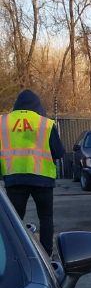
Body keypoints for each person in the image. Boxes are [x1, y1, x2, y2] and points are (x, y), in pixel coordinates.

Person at [0, 89, 65, 255]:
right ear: (38, 106)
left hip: (14, 179)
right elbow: (59, 152)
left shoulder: (3, 122)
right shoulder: (46, 123)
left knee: (14, 220)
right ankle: (46, 253)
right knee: (45, 218)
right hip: (42, 180)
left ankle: (14, 253)